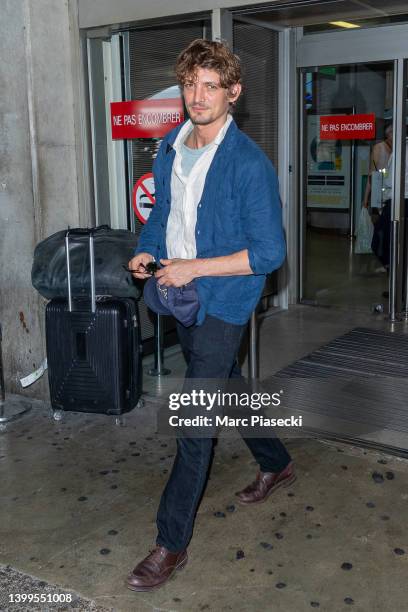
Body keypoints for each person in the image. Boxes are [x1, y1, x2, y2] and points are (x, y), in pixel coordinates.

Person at [126, 39, 294, 592]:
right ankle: (276, 461)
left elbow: (269, 253)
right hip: (180, 294)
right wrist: (147, 250)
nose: (197, 96)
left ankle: (169, 544)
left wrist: (193, 268)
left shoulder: (249, 163)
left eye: (210, 86)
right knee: (227, 386)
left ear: (232, 93)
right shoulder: (172, 147)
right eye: (190, 85)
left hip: (222, 300)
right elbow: (165, 215)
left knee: (195, 421)